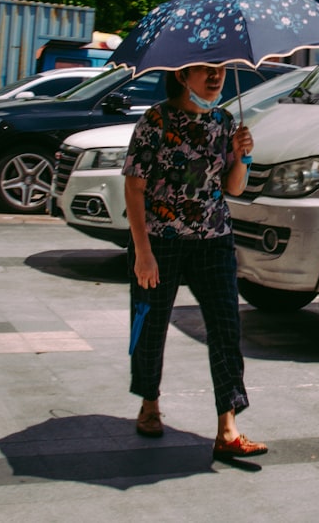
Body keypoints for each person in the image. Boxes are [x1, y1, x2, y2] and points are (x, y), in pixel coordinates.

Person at [121, 62, 267, 460]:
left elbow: (233, 188)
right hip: (159, 242)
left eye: (220, 69)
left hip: (214, 239)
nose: (216, 76)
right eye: (205, 69)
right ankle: (149, 404)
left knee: (225, 327)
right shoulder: (155, 120)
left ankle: (228, 427)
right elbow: (134, 189)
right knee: (151, 324)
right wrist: (143, 254)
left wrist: (243, 156)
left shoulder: (224, 121)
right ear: (183, 76)